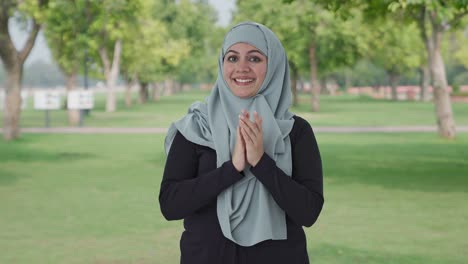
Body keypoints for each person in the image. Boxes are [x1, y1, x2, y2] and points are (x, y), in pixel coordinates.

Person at [159, 21, 324, 264]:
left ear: (274, 65)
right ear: (222, 64)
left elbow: (308, 212)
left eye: (255, 59)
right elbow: (171, 205)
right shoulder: (196, 126)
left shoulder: (296, 131)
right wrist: (232, 169)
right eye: (233, 58)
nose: (242, 68)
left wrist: (261, 163)